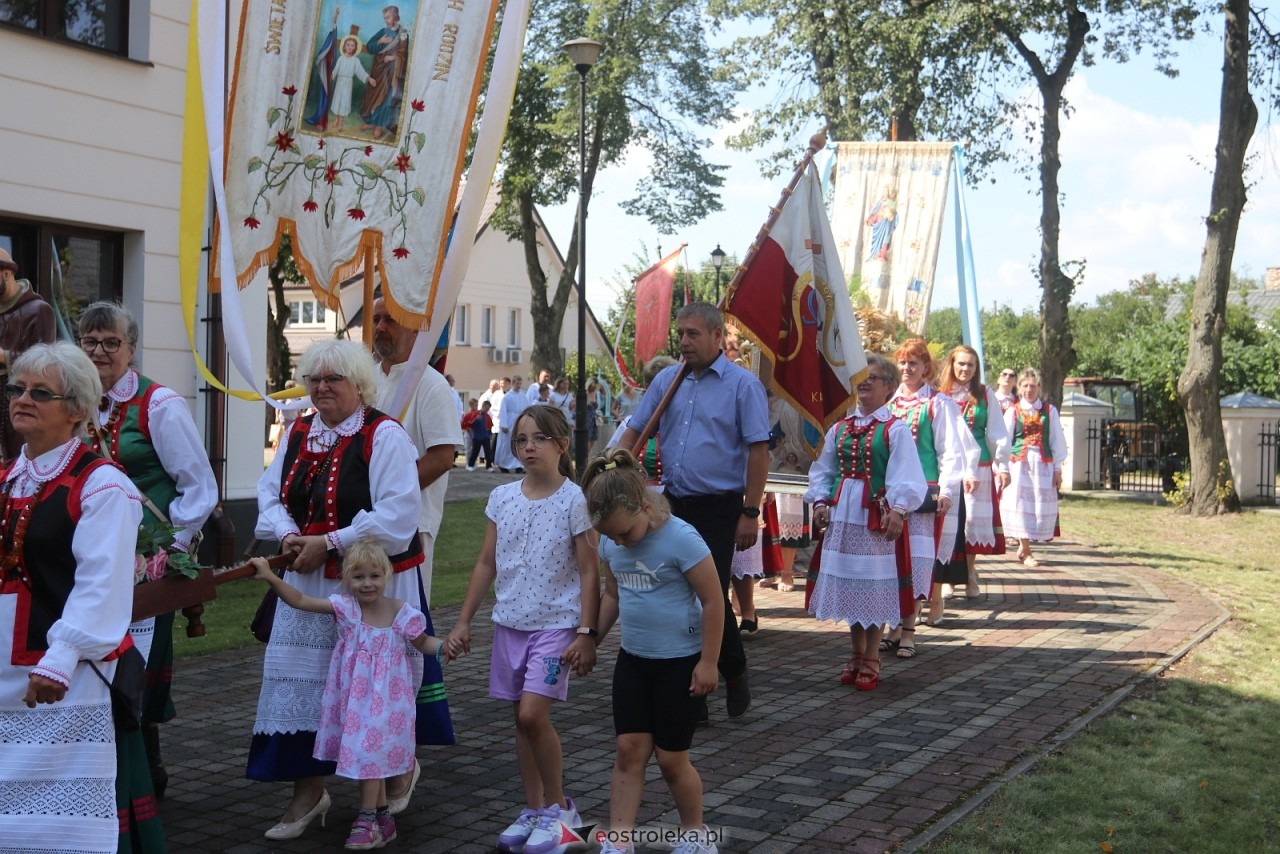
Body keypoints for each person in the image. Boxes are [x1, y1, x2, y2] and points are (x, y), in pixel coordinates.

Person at [250, 338, 452, 839]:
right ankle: (308, 791)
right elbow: (269, 493)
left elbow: (399, 516)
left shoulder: (383, 436)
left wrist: (331, 541)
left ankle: (393, 772)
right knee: (306, 683)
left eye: (333, 379)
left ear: (358, 386)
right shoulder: (298, 432)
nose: (321, 388)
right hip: (308, 577)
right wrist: (288, 534)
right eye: (315, 378)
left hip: (371, 581)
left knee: (376, 686)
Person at [0, 342, 144, 853]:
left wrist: (59, 659)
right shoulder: (5, 478)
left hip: (62, 677)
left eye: (41, 392)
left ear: (79, 408)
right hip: (3, 669)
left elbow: (101, 585)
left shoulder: (101, 485)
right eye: (17, 388)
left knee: (57, 821)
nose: (22, 398)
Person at [77, 301, 219, 811]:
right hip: (89, 560)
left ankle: (147, 777)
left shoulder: (158, 404)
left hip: (145, 564)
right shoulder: (74, 401)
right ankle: (102, 772)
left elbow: (199, 487)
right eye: (90, 342)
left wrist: (171, 549)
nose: (99, 352)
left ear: (131, 349)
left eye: (110, 342)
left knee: (139, 666)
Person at [446, 404, 599, 854]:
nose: (529, 448)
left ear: (561, 445)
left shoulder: (576, 501)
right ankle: (534, 810)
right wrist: (463, 620)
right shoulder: (502, 497)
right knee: (520, 721)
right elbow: (486, 562)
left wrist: (586, 632)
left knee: (534, 715)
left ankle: (561, 811)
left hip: (556, 626)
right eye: (521, 440)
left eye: (538, 439)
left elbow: (591, 572)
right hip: (509, 624)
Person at [619, 303, 770, 721]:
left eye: (693, 334)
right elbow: (636, 427)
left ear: (718, 336)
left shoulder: (742, 386)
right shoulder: (668, 380)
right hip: (674, 504)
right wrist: (611, 466)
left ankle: (726, 673)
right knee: (680, 592)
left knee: (707, 593)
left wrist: (750, 511)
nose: (684, 341)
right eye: (681, 333)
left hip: (721, 507)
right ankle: (703, 686)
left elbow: (758, 450)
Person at [250, 539, 448, 851]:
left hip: (390, 704)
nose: (367, 584)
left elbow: (423, 642)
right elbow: (300, 599)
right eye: (358, 577)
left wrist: (445, 647)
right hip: (356, 703)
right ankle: (382, 819)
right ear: (347, 579)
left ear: (386, 576)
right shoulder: (345, 608)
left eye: (374, 576)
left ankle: (367, 819)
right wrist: (270, 575)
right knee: (369, 756)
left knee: (371, 756)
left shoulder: (401, 612)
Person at [581, 449, 723, 854]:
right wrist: (591, 637)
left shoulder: (681, 538)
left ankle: (695, 834)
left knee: (671, 759)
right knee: (628, 750)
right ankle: (620, 841)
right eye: (610, 537)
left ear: (645, 505)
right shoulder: (611, 542)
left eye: (625, 533)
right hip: (634, 661)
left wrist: (708, 662)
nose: (619, 542)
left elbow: (714, 602)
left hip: (680, 664)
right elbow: (612, 595)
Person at [806, 353, 927, 690]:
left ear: (889, 387)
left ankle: (872, 655)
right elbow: (824, 470)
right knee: (850, 584)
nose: (865, 382)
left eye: (873, 377)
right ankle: (856, 652)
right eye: (862, 376)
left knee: (873, 587)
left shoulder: (895, 428)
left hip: (875, 517)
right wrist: (819, 501)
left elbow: (908, 476)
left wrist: (899, 510)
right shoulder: (841, 428)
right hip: (844, 515)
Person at [883, 339, 977, 656]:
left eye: (914, 363)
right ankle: (893, 625)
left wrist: (948, 490)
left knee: (918, 561)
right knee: (891, 560)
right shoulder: (890, 403)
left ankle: (909, 630)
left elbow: (951, 451)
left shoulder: (938, 403)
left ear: (926, 368)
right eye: (902, 362)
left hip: (924, 492)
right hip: (891, 494)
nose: (907, 368)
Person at [371, 297, 463, 605]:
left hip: (410, 523)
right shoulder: (363, 381)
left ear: (414, 330)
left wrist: (391, 497)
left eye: (391, 320)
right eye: (376, 320)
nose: (380, 327)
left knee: (405, 617)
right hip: (361, 519)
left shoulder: (431, 385)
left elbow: (442, 457)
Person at [937, 346, 1010, 600]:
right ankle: (948, 577)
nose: (965, 369)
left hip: (978, 468)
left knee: (970, 523)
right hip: (948, 467)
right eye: (961, 364)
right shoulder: (940, 394)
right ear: (952, 364)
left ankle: (968, 572)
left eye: (970, 365)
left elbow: (997, 432)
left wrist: (1002, 465)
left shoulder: (984, 394)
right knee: (948, 522)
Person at [1000, 367, 1068, 568]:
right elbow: (1004, 440)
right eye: (1025, 385)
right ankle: (1026, 549)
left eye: (1033, 386)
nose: (1029, 389)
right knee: (1022, 505)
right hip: (1019, 465)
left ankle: (1025, 547)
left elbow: (1057, 441)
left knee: (1037, 507)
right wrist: (1002, 467)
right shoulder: (1013, 411)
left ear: (1039, 388)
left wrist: (1057, 469)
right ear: (1019, 388)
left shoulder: (1049, 411)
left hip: (1043, 466)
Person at [0, 248, 56, 461]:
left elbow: (45, 360)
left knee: (20, 454)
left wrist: (5, 356)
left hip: (23, 396)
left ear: (6, 274)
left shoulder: (39, 310)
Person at [359, 4, 409, 139]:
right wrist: (380, 41)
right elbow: (370, 47)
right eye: (384, 18)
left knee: (386, 97)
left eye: (388, 17)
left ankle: (379, 125)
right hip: (379, 69)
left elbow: (404, 53)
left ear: (395, 16)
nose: (386, 20)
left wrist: (393, 57)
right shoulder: (383, 31)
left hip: (392, 71)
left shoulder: (403, 33)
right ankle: (372, 122)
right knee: (373, 94)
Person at [329, 35, 370, 131]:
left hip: (348, 83)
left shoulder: (356, 60)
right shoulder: (341, 59)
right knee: (338, 101)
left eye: (352, 45)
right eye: (348, 45)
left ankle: (340, 123)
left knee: (344, 102)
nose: (350, 47)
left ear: (355, 48)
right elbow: (335, 70)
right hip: (340, 82)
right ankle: (337, 119)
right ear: (344, 46)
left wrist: (368, 78)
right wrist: (331, 76)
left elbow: (361, 72)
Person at [495, 375, 529, 472]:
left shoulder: (523, 396)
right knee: (507, 444)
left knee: (519, 443)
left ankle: (518, 464)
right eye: (517, 383)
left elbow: (527, 409)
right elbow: (503, 411)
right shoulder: (507, 397)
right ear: (513, 384)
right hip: (509, 422)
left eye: (520, 383)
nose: (518, 385)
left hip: (520, 421)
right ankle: (504, 464)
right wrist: (504, 425)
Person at [463, 399, 494, 471]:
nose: (486, 410)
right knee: (475, 451)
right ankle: (470, 464)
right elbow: (470, 424)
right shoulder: (476, 414)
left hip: (485, 437)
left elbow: (490, 426)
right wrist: (475, 420)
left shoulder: (487, 416)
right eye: (486, 408)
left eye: (488, 409)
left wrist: (490, 434)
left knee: (488, 452)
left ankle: (489, 466)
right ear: (482, 406)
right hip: (477, 437)